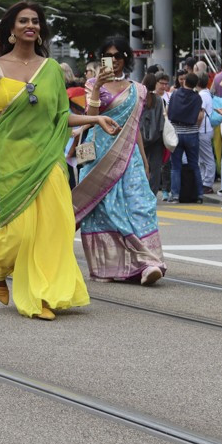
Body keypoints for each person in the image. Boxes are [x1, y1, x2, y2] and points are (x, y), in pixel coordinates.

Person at [0, 1, 115, 320]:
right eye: (23, 21)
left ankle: (43, 294)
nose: (29, 25)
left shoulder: (50, 70)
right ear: (11, 29)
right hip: (13, 159)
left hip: (49, 160)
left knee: (54, 228)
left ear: (40, 29)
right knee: (20, 231)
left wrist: (95, 120)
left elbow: (62, 116)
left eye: (34, 21)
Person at [75, 38, 166, 286]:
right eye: (108, 55)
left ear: (126, 58)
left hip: (129, 156)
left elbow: (134, 128)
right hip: (99, 156)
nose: (113, 61)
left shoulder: (138, 89)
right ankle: (109, 266)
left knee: (141, 205)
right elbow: (89, 119)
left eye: (117, 56)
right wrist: (96, 90)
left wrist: (145, 161)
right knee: (105, 211)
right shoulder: (93, 85)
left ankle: (150, 263)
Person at [166, 73, 204, 203]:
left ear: (184, 81)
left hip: (177, 133)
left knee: (176, 166)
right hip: (192, 133)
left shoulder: (175, 94)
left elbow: (169, 113)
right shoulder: (197, 98)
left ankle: (175, 195)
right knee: (194, 165)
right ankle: (199, 194)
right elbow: (199, 117)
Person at [138, 72, 167, 195]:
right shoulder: (159, 100)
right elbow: (161, 121)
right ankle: (152, 194)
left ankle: (141, 193)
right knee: (155, 168)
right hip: (156, 139)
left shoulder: (139, 99)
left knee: (140, 166)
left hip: (140, 138)